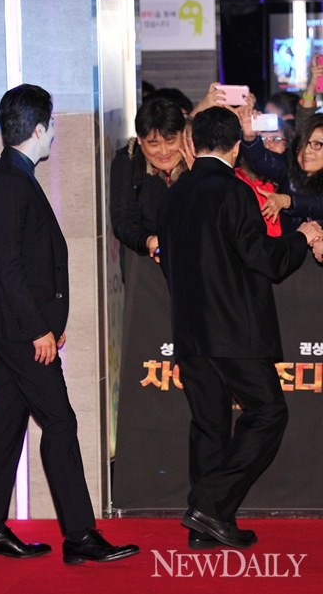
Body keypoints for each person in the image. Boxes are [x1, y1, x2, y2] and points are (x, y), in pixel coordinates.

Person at [0, 84, 139, 564]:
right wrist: (37, 329)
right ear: (39, 128)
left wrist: (47, 322)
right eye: (54, 124)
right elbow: (9, 269)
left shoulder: (13, 175)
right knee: (61, 423)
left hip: (20, 329)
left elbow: (25, 264)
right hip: (21, 333)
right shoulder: (9, 180)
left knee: (4, 430)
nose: (55, 133)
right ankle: (80, 536)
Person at [156, 106, 322, 549]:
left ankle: (206, 528)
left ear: (194, 144)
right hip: (234, 331)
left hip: (189, 331)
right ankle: (208, 506)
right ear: (234, 147)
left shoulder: (173, 194)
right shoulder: (234, 192)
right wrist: (302, 237)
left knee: (209, 425)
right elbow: (265, 259)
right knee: (268, 413)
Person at [110, 97, 191, 510]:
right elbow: (123, 221)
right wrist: (150, 242)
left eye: (169, 141)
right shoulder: (128, 162)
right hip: (147, 285)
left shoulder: (200, 160)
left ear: (184, 136)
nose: (160, 151)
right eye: (151, 143)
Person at [240, 109, 323, 233]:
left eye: (317, 144)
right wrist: (250, 137)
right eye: (304, 143)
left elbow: (318, 203)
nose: (307, 151)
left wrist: (287, 201)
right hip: (293, 244)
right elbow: (261, 159)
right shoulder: (289, 167)